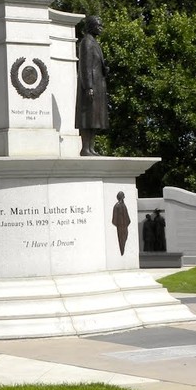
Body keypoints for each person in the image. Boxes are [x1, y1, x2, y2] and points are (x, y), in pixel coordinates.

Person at [75, 15, 109, 156]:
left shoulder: (94, 42)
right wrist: (88, 86)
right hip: (91, 85)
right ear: (91, 26)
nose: (101, 28)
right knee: (87, 117)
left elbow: (95, 64)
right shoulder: (86, 43)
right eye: (98, 25)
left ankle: (91, 148)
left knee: (95, 118)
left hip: (98, 84)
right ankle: (85, 148)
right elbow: (85, 66)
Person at [112, 191, 131, 256]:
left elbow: (127, 215)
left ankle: (123, 251)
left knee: (125, 237)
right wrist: (119, 224)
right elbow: (114, 218)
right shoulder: (116, 206)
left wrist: (126, 223)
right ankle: (122, 252)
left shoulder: (124, 205)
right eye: (123, 197)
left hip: (125, 225)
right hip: (120, 226)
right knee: (121, 240)